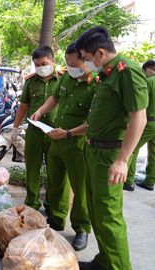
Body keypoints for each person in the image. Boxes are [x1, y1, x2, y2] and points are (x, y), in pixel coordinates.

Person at [75, 26, 148, 270]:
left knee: (108, 216)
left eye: (86, 58)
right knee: (96, 211)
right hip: (93, 151)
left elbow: (139, 117)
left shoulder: (127, 71)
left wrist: (122, 160)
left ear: (100, 53)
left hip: (109, 156)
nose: (86, 63)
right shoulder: (107, 74)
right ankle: (105, 261)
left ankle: (119, 266)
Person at [30, 43, 95, 251]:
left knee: (80, 187)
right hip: (57, 139)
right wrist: (40, 111)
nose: (69, 67)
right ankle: (56, 218)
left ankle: (82, 228)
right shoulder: (67, 77)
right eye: (67, 63)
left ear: (87, 61)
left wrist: (68, 133)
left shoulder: (96, 84)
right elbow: (55, 97)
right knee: (55, 181)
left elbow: (94, 122)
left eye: (74, 64)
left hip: (76, 142)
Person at [12, 45, 62, 212]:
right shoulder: (30, 81)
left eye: (44, 63)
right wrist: (15, 128)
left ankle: (50, 204)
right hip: (34, 132)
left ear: (52, 61)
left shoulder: (64, 79)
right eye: (37, 65)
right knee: (32, 169)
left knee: (54, 171)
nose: (41, 68)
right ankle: (32, 203)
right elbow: (23, 106)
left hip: (55, 133)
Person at [124, 60, 155, 191]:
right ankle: (150, 181)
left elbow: (140, 104)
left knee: (133, 148)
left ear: (148, 70)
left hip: (149, 121)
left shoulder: (149, 82)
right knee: (153, 153)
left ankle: (129, 181)